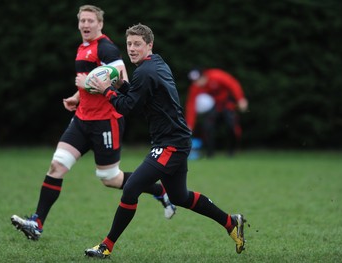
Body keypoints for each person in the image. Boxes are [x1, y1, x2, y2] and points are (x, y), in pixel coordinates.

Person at [10, 5, 175, 241]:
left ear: (100, 24)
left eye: (90, 20)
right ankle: (37, 223)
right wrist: (78, 96)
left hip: (105, 122)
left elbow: (121, 76)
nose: (86, 25)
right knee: (56, 167)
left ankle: (160, 190)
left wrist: (87, 82)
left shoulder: (106, 48)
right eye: (82, 21)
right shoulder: (82, 48)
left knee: (110, 179)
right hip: (81, 120)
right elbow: (91, 82)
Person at [84, 23, 246, 259]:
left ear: (149, 45)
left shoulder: (145, 72)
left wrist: (108, 90)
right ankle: (231, 222)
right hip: (176, 139)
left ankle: (106, 246)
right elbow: (142, 100)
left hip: (170, 144)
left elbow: (127, 107)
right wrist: (123, 85)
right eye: (129, 44)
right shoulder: (155, 64)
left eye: (137, 44)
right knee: (180, 196)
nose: (131, 48)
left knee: (130, 189)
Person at [185, 68, 248, 157]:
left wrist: (240, 99)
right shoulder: (195, 87)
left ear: (203, 76)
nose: (196, 83)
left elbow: (233, 84)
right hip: (213, 108)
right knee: (207, 127)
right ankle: (210, 153)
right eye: (194, 81)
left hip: (227, 104)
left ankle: (232, 151)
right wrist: (189, 125)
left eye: (198, 80)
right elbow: (191, 106)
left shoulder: (216, 75)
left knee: (232, 126)